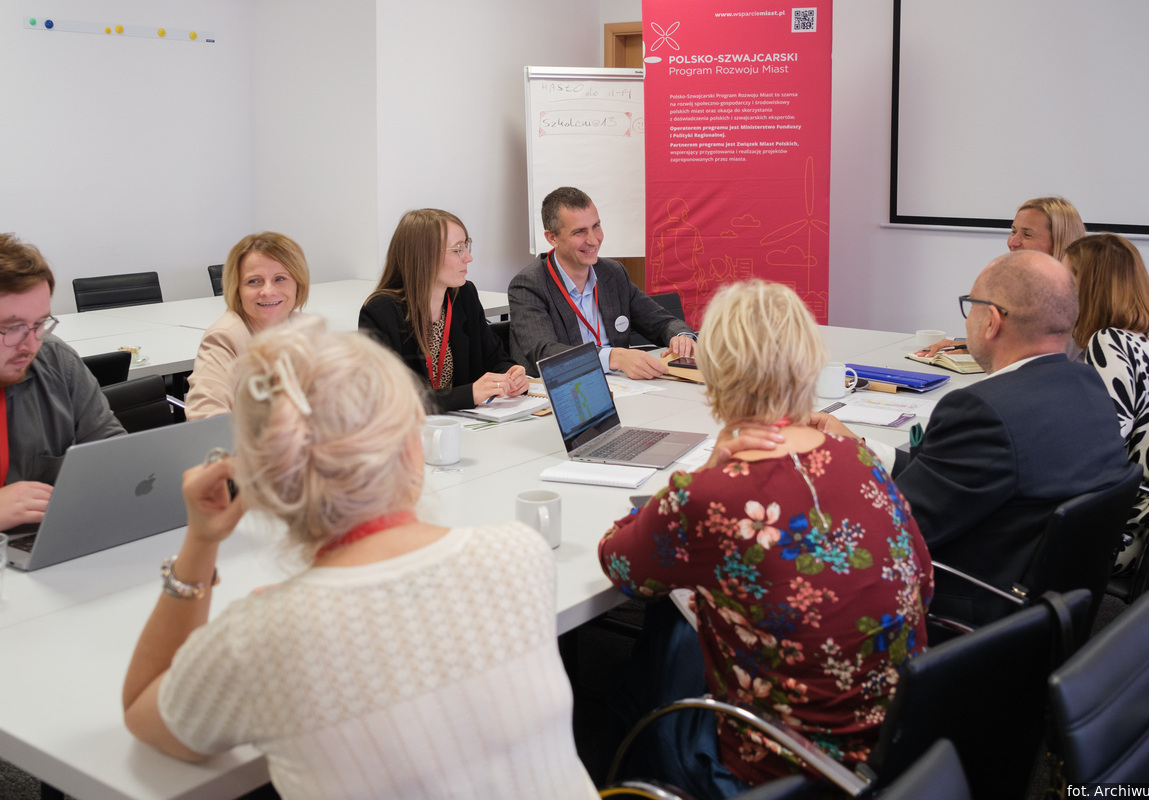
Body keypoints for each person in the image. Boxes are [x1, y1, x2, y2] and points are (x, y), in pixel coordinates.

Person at [122, 318, 599, 800]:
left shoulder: (260, 638)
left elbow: (143, 710)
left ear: (269, 487)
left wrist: (200, 543)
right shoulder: (519, 553)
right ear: (413, 448)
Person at [599, 280, 932, 795]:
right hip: (900, 747)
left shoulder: (710, 494)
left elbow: (618, 563)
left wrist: (702, 473)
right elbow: (923, 585)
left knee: (640, 671)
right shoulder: (858, 457)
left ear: (714, 373)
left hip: (782, 774)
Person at [814, 250, 1130, 626]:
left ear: (991, 321)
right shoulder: (1086, 384)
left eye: (971, 305)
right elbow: (952, 478)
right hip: (1051, 608)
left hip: (969, 613)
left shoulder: (984, 410)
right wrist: (863, 451)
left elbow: (895, 528)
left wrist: (815, 478)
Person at [1064, 233, 1149, 574]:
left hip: (1122, 531)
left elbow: (1099, 451)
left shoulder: (1107, 341)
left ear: (1091, 286)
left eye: (1067, 278)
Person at [0, 233, 124, 530]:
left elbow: (112, 455)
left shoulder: (56, 361)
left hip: (44, 543)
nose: (31, 344)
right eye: (13, 328)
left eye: (40, 324)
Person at [508, 187, 696, 379]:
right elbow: (545, 354)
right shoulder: (529, 285)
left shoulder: (612, 273)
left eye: (596, 226)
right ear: (552, 238)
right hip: (566, 388)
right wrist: (614, 357)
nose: (593, 240)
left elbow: (660, 321)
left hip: (624, 387)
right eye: (579, 232)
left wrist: (681, 337)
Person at [360, 208, 527, 412]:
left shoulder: (464, 296)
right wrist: (469, 394)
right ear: (424, 256)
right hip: (411, 426)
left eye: (466, 246)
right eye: (458, 249)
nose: (468, 258)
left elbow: (494, 358)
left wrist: (511, 374)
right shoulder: (381, 311)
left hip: (463, 423)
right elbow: (390, 397)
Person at [917, 196, 1087, 358]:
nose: (1012, 242)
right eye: (1013, 231)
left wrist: (981, 351)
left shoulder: (1077, 296)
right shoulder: (1022, 285)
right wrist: (968, 346)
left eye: (1027, 235)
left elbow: (1044, 357)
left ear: (1059, 242)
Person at [185, 232, 310, 419]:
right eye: (254, 281)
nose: (267, 291)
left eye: (280, 279)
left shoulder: (305, 328)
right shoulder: (225, 337)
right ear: (237, 289)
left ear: (298, 284)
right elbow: (205, 418)